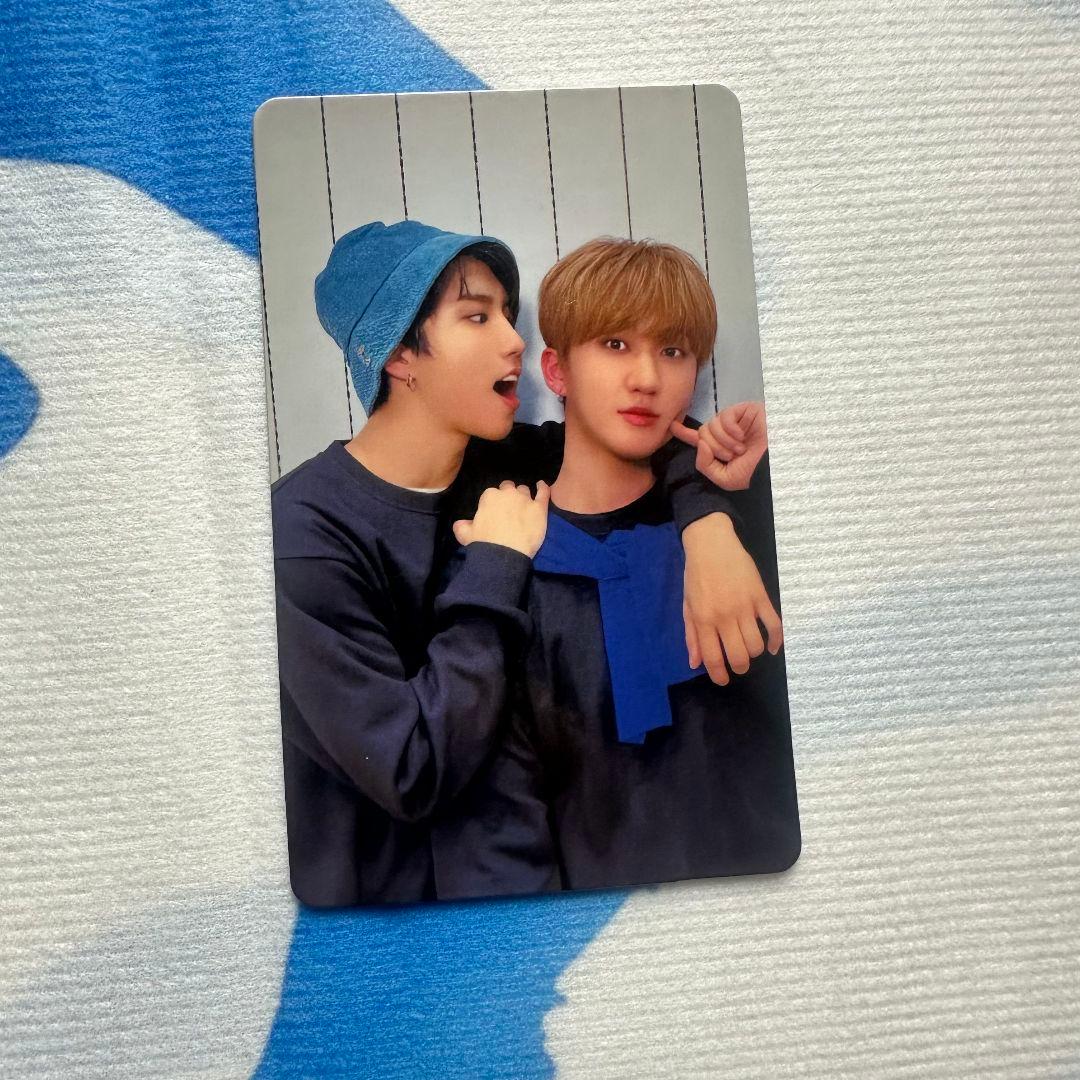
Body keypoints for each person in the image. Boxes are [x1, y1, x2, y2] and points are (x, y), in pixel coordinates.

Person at [271, 221, 778, 906]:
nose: (515, 339)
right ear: (399, 354)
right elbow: (410, 768)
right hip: (380, 911)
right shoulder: (304, 532)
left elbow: (637, 441)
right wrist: (497, 562)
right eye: (478, 316)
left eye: (509, 314)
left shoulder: (505, 460)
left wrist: (710, 523)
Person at [432, 237, 801, 899]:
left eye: (673, 351)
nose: (647, 379)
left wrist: (767, 486)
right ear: (557, 371)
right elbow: (496, 836)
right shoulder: (499, 566)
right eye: (615, 344)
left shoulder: (741, 527)